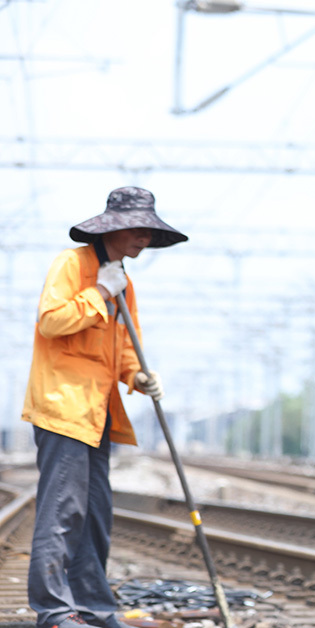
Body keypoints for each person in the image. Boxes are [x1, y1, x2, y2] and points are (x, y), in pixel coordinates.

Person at [23, 187, 188, 628]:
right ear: (115, 227)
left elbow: (123, 347)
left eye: (150, 232)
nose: (145, 240)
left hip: (99, 412)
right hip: (63, 408)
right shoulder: (72, 265)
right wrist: (98, 292)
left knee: (95, 514)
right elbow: (51, 321)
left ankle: (94, 609)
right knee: (62, 511)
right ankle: (55, 612)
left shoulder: (123, 280)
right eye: (139, 230)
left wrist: (137, 377)